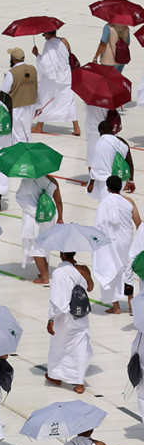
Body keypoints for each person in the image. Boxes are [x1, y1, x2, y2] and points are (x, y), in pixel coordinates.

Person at [46, 252, 93, 394]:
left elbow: (56, 299)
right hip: (81, 314)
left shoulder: (59, 272)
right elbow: (90, 288)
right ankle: (79, 384)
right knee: (81, 347)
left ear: (62, 254)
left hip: (65, 317)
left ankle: (55, 375)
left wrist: (51, 319)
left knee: (58, 346)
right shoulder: (84, 269)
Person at [93, 175, 140, 313]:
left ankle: (116, 307)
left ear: (107, 188)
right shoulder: (129, 201)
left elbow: (99, 225)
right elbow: (138, 223)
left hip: (111, 242)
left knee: (111, 270)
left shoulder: (104, 203)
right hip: (127, 242)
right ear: (121, 186)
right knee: (127, 271)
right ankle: (131, 301)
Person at [15, 173, 62, 284]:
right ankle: (45, 272)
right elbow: (58, 201)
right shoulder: (53, 181)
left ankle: (44, 277)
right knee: (45, 245)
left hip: (34, 218)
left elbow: (20, 197)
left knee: (35, 247)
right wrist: (60, 217)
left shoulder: (27, 180)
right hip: (48, 216)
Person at [32, 31, 80, 135]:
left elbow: (45, 64)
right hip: (66, 76)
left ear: (48, 34)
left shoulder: (48, 44)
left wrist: (37, 55)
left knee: (45, 99)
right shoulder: (64, 41)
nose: (45, 37)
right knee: (69, 101)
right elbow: (68, 56)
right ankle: (76, 128)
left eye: (44, 35)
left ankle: (39, 126)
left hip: (53, 79)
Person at [87, 121, 133, 200]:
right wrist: (131, 181)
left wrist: (91, 182)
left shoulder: (102, 142)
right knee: (116, 202)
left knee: (106, 204)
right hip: (120, 179)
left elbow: (97, 165)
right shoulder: (122, 141)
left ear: (101, 131)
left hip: (106, 182)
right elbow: (130, 163)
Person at [0, 48, 37, 143]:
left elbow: (4, 91)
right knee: (27, 131)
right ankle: (27, 147)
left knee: (18, 133)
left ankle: (20, 150)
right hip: (31, 104)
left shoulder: (12, 72)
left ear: (13, 59)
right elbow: (38, 86)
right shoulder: (33, 69)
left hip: (17, 106)